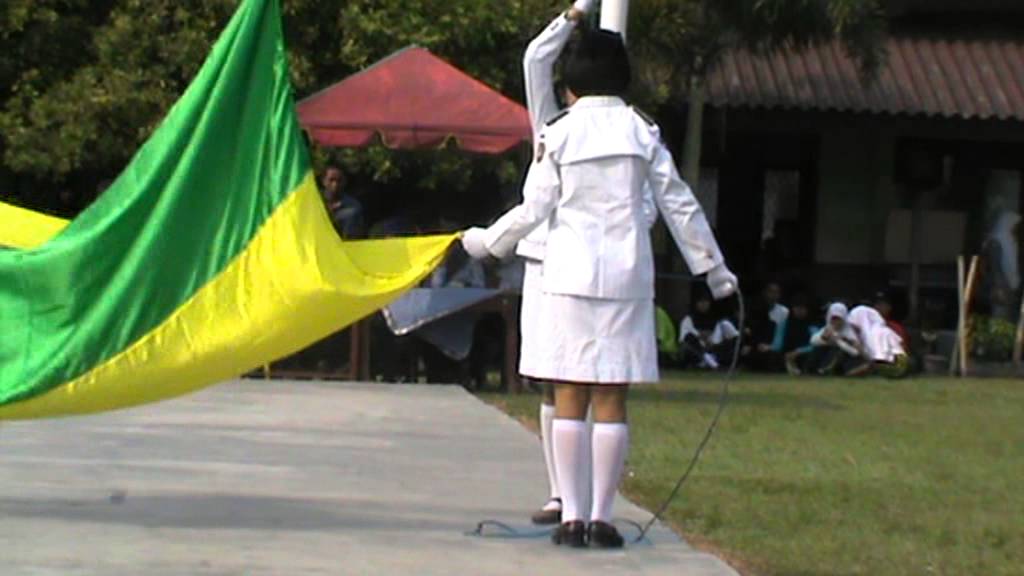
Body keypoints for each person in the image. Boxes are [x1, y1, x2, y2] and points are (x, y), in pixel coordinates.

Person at [462, 26, 736, 548]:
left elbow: (534, 209)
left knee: (569, 393)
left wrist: (487, 242)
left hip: (568, 277)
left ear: (571, 84)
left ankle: (570, 518)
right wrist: (714, 269)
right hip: (627, 279)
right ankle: (602, 519)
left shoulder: (559, 134)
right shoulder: (642, 132)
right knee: (611, 396)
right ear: (623, 78)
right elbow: (679, 204)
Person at [677, 287, 739, 370]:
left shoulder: (719, 320)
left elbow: (735, 336)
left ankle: (710, 361)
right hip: (698, 352)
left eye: (706, 301)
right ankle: (707, 361)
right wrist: (699, 337)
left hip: (715, 351)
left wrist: (714, 344)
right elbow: (683, 340)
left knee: (733, 344)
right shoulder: (688, 319)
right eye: (700, 302)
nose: (703, 304)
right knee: (688, 340)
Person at [807, 303, 868, 376]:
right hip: (827, 354)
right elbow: (813, 341)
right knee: (818, 349)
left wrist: (838, 341)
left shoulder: (849, 330)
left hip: (847, 357)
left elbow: (855, 352)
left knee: (838, 352)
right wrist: (824, 338)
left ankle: (826, 370)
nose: (836, 321)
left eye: (838, 319)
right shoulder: (828, 328)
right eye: (833, 319)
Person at [742, 281, 789, 371]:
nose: (773, 295)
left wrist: (771, 346)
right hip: (757, 343)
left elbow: (781, 333)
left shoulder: (784, 311)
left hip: (774, 344)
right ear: (765, 293)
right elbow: (753, 330)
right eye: (771, 292)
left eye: (776, 292)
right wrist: (751, 344)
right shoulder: (758, 310)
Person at [320, 165, 365, 239]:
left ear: (345, 182)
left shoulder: (354, 206)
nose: (335, 184)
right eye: (331, 180)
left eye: (339, 180)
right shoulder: (314, 201)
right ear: (323, 181)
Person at [781, 295, 819, 375]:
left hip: (803, 354)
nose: (799, 310)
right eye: (797, 307)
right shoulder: (785, 323)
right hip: (787, 354)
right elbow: (778, 342)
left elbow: (816, 344)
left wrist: (798, 351)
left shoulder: (812, 324)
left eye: (802, 308)